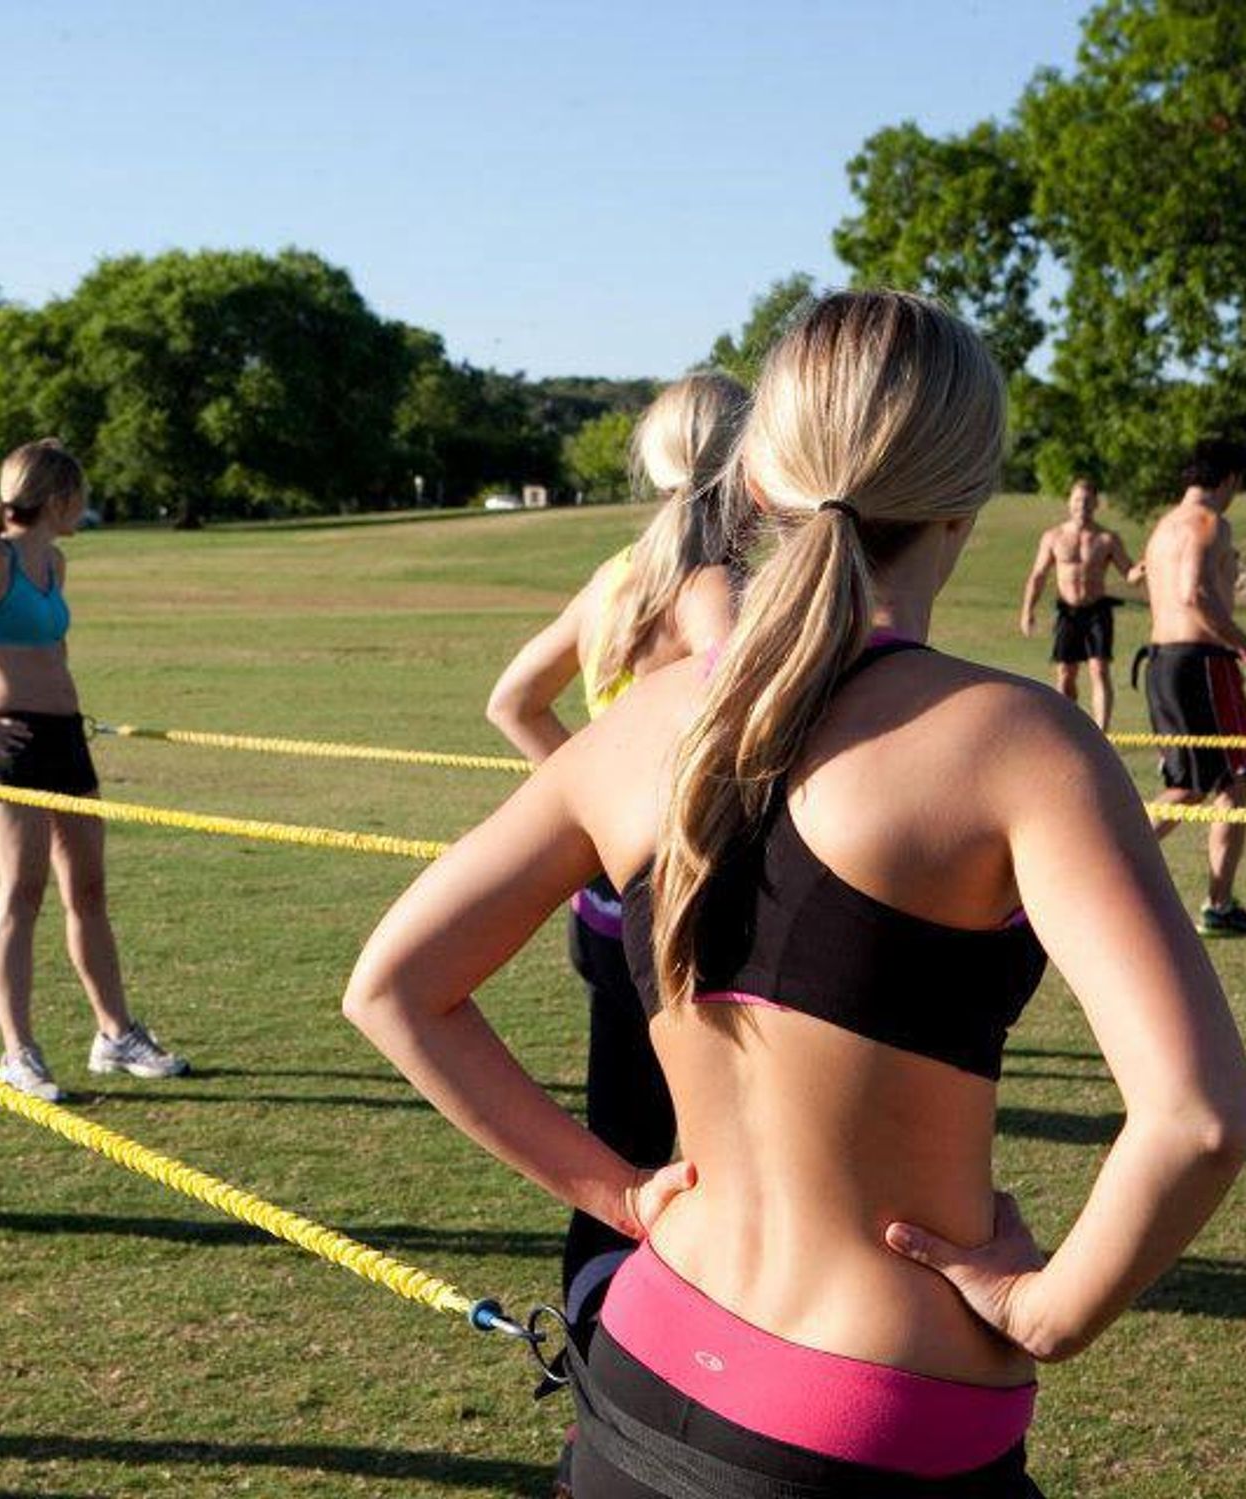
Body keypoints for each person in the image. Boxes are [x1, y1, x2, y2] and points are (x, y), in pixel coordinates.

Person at [344, 292, 1246, 1497]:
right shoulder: (1014, 740)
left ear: (755, 483)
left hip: (642, 1364)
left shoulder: (645, 724)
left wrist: (613, 1192)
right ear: (965, 499)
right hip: (875, 1416)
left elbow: (393, 986)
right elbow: (1193, 1117)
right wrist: (1046, 1309)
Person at [484, 371, 749, 1306]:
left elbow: (514, 702)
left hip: (606, 901)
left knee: (619, 1152)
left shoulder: (612, 581)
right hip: (690, 903)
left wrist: (597, 813)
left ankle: (591, 1348)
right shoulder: (716, 585)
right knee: (715, 1156)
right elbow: (743, 726)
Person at [0, 438, 188, 1102]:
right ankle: (18, 1052)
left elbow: (52, 651)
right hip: (12, 746)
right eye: (80, 497)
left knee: (87, 890)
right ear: (59, 498)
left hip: (65, 739)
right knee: (20, 894)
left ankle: (115, 1033)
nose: (84, 509)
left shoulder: (54, 563)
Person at [1134, 438, 1246, 935]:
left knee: (1224, 784)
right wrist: (1242, 643)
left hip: (1166, 662)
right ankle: (1103, 855)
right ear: (1226, 480)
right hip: (1201, 663)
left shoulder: (1164, 526)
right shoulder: (1209, 523)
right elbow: (1194, 592)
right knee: (1197, 787)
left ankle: (1220, 905)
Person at [1019, 477, 1142, 729]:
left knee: (1099, 669)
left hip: (1097, 610)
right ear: (1069, 502)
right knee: (1065, 673)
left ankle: (1101, 731)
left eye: (1087, 501)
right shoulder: (1054, 537)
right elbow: (1038, 575)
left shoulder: (1107, 539)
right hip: (1068, 611)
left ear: (1096, 503)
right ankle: (1069, 727)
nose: (1081, 506)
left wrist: (1143, 569)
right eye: (1077, 500)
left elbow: (1128, 573)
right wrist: (1027, 611)